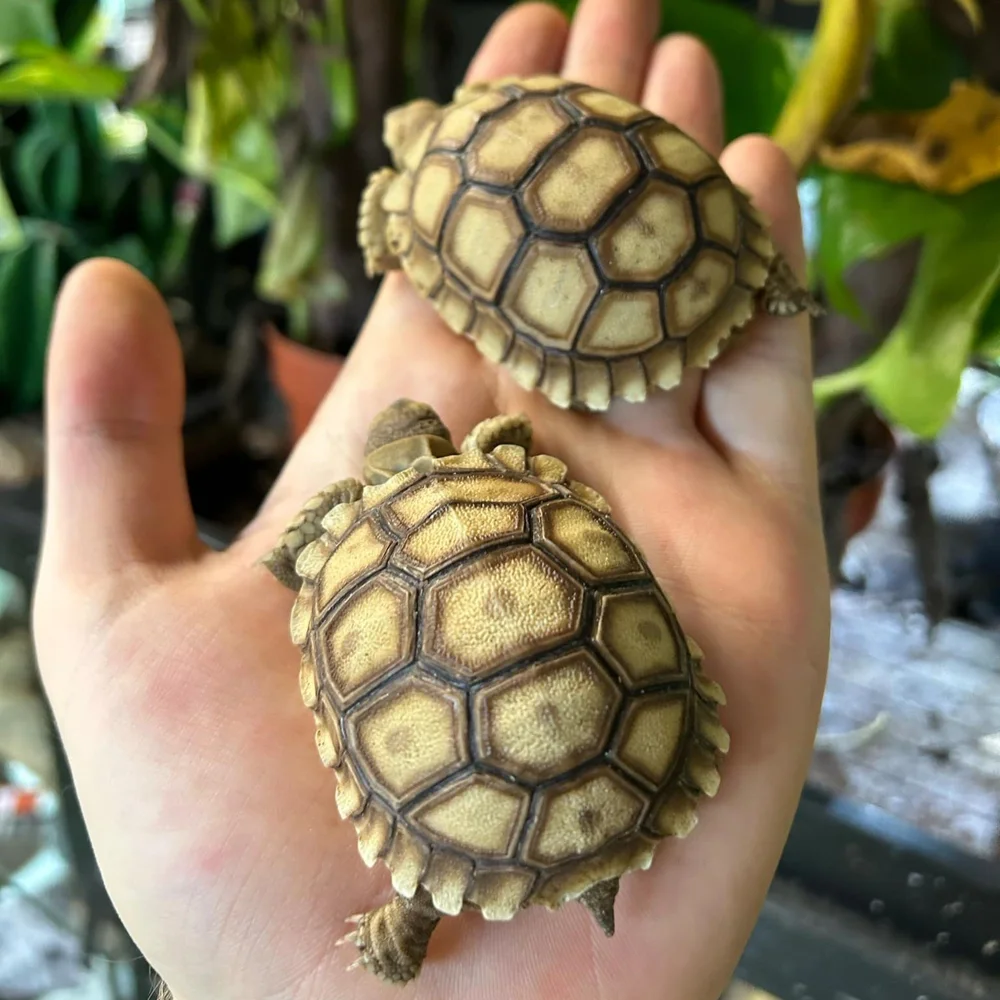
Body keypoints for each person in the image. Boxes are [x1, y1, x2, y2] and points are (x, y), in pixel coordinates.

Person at [31, 1, 831, 997]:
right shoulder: (502, 470)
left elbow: (302, 558)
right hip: (636, 746)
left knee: (430, 846)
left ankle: (410, 923)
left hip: (468, 807)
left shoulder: (353, 539)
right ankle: (760, 280)